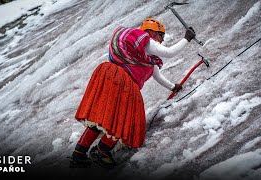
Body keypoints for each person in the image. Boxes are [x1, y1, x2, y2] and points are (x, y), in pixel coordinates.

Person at [69, 18, 196, 169]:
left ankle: (78, 154)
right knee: (123, 121)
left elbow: (158, 76)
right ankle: (101, 151)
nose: (161, 41)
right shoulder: (146, 41)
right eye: (161, 37)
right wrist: (187, 38)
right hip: (124, 85)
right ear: (154, 33)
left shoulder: (146, 59)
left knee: (101, 118)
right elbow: (170, 52)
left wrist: (173, 86)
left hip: (111, 77)